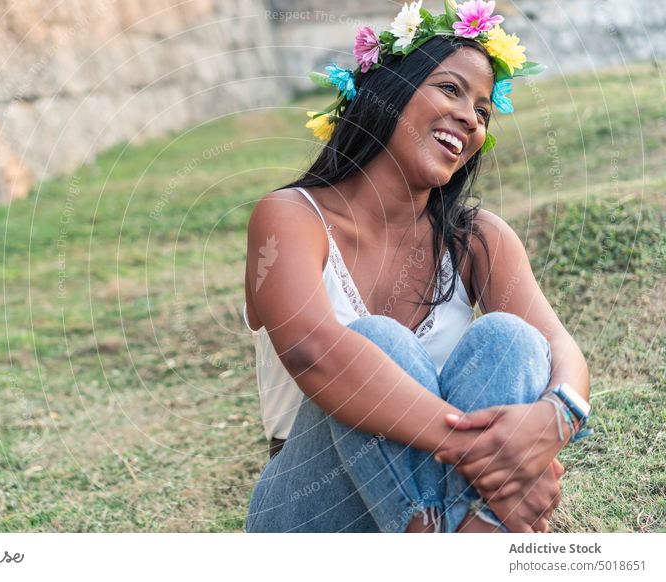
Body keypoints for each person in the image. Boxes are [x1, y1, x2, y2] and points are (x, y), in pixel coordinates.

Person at [241, 1, 592, 533]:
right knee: (378, 342)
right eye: (450, 89)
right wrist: (491, 456)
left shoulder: (478, 240)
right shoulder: (290, 217)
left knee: (511, 340)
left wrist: (556, 416)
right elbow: (316, 354)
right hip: (316, 516)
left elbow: (560, 350)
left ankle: (465, 535)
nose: (470, 118)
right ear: (389, 91)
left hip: (444, 506)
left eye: (482, 110)